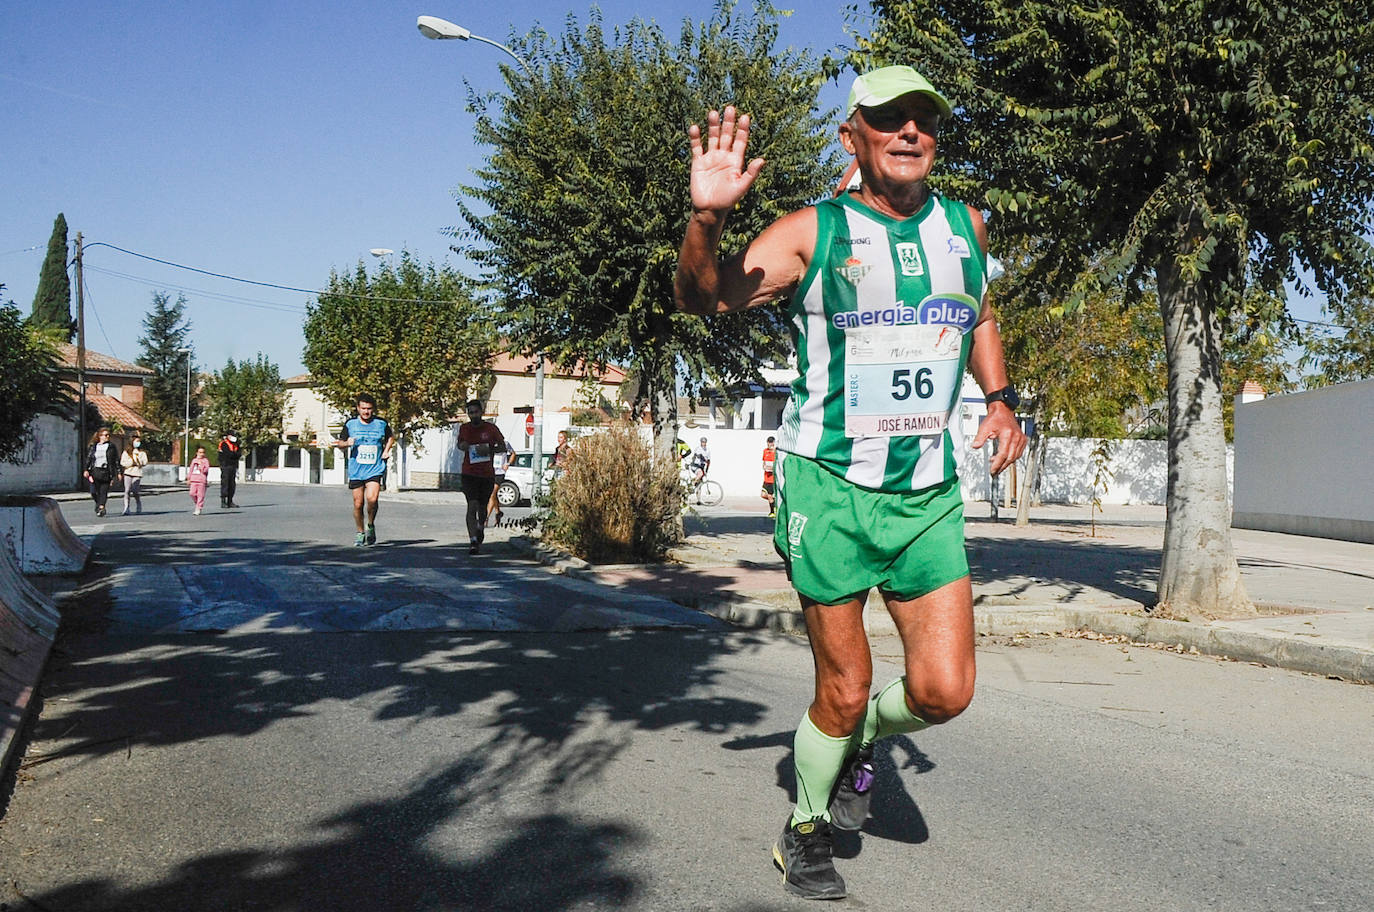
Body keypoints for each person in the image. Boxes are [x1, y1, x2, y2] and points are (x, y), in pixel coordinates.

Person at [675, 65, 1028, 900]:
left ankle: (860, 735)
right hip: (828, 487)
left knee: (945, 691)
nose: (909, 131)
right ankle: (805, 829)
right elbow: (702, 298)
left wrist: (1001, 398)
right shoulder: (814, 231)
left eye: (923, 119)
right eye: (888, 118)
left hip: (926, 493)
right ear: (852, 138)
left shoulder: (967, 227)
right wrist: (707, 219)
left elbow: (978, 312)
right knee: (843, 685)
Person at [328, 394, 394, 547]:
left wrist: (386, 450)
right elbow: (340, 443)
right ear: (358, 408)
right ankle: (360, 532)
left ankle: (370, 525)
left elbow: (390, 437)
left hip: (375, 469)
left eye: (369, 409)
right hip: (356, 470)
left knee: (372, 500)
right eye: (363, 408)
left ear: (373, 409)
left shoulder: (381, 423)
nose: (366, 412)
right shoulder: (351, 424)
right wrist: (347, 443)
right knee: (358, 504)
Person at [457, 399, 506, 555]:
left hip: (486, 474)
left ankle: (480, 527)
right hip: (469, 473)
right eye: (470, 413)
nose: (473, 415)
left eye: (476, 412)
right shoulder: (464, 428)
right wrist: (463, 446)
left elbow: (502, 446)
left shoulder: (491, 429)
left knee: (482, 506)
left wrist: (490, 450)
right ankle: (473, 541)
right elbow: (459, 444)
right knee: (471, 506)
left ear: (481, 412)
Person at [83, 427, 120, 517]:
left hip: (106, 471)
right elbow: (89, 459)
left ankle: (101, 507)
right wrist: (86, 469)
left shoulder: (111, 446)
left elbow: (115, 460)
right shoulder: (94, 446)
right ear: (100, 436)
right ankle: (98, 504)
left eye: (108, 435)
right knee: (94, 491)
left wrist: (118, 472)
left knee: (103, 491)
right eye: (105, 435)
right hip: (95, 471)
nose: (107, 437)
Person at [486, 437, 517, 528]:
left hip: (500, 472)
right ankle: (498, 512)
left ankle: (486, 518)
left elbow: (513, 453)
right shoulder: (489, 443)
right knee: (493, 495)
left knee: (492, 493)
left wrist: (508, 464)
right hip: (490, 471)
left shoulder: (505, 444)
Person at [120, 435, 148, 515]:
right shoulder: (126, 452)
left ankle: (138, 504)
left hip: (137, 473)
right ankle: (126, 507)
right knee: (127, 490)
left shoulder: (142, 453)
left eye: (139, 441)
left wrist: (138, 461)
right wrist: (130, 462)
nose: (138, 443)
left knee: (135, 490)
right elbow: (122, 462)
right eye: (136, 441)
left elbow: (145, 462)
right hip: (128, 472)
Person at [217, 432, 242, 508]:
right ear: (228, 436)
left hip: (233, 466)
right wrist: (234, 455)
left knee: (232, 484)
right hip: (225, 466)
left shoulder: (236, 444)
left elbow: (239, 454)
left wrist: (234, 455)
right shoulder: (224, 444)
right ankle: (223, 501)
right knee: (225, 483)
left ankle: (230, 501)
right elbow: (228, 454)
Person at [187, 445, 211, 515]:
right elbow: (191, 470)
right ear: (197, 453)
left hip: (201, 480)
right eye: (200, 452)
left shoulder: (205, 461)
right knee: (192, 493)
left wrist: (201, 465)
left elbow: (206, 471)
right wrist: (188, 478)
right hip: (193, 480)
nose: (201, 454)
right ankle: (198, 503)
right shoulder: (194, 460)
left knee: (200, 495)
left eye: (203, 452)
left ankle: (198, 508)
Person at [761, 435, 777, 518]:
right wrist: (764, 467)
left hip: (773, 479)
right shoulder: (765, 451)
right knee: (763, 495)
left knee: (770, 496)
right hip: (766, 478)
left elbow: (778, 465)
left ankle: (772, 512)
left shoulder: (776, 452)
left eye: (771, 443)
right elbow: (764, 463)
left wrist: (772, 469)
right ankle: (775, 502)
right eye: (769, 443)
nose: (770, 445)